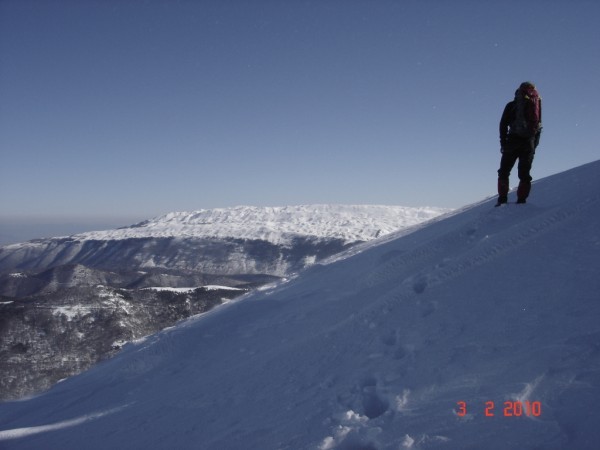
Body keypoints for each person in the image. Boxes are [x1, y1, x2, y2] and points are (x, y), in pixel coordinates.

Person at [497, 81, 542, 206]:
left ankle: (502, 200)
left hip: (512, 141)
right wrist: (534, 145)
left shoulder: (511, 105)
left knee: (504, 171)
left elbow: (503, 125)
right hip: (529, 143)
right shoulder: (536, 103)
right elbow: (538, 126)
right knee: (524, 173)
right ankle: (521, 200)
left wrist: (503, 142)